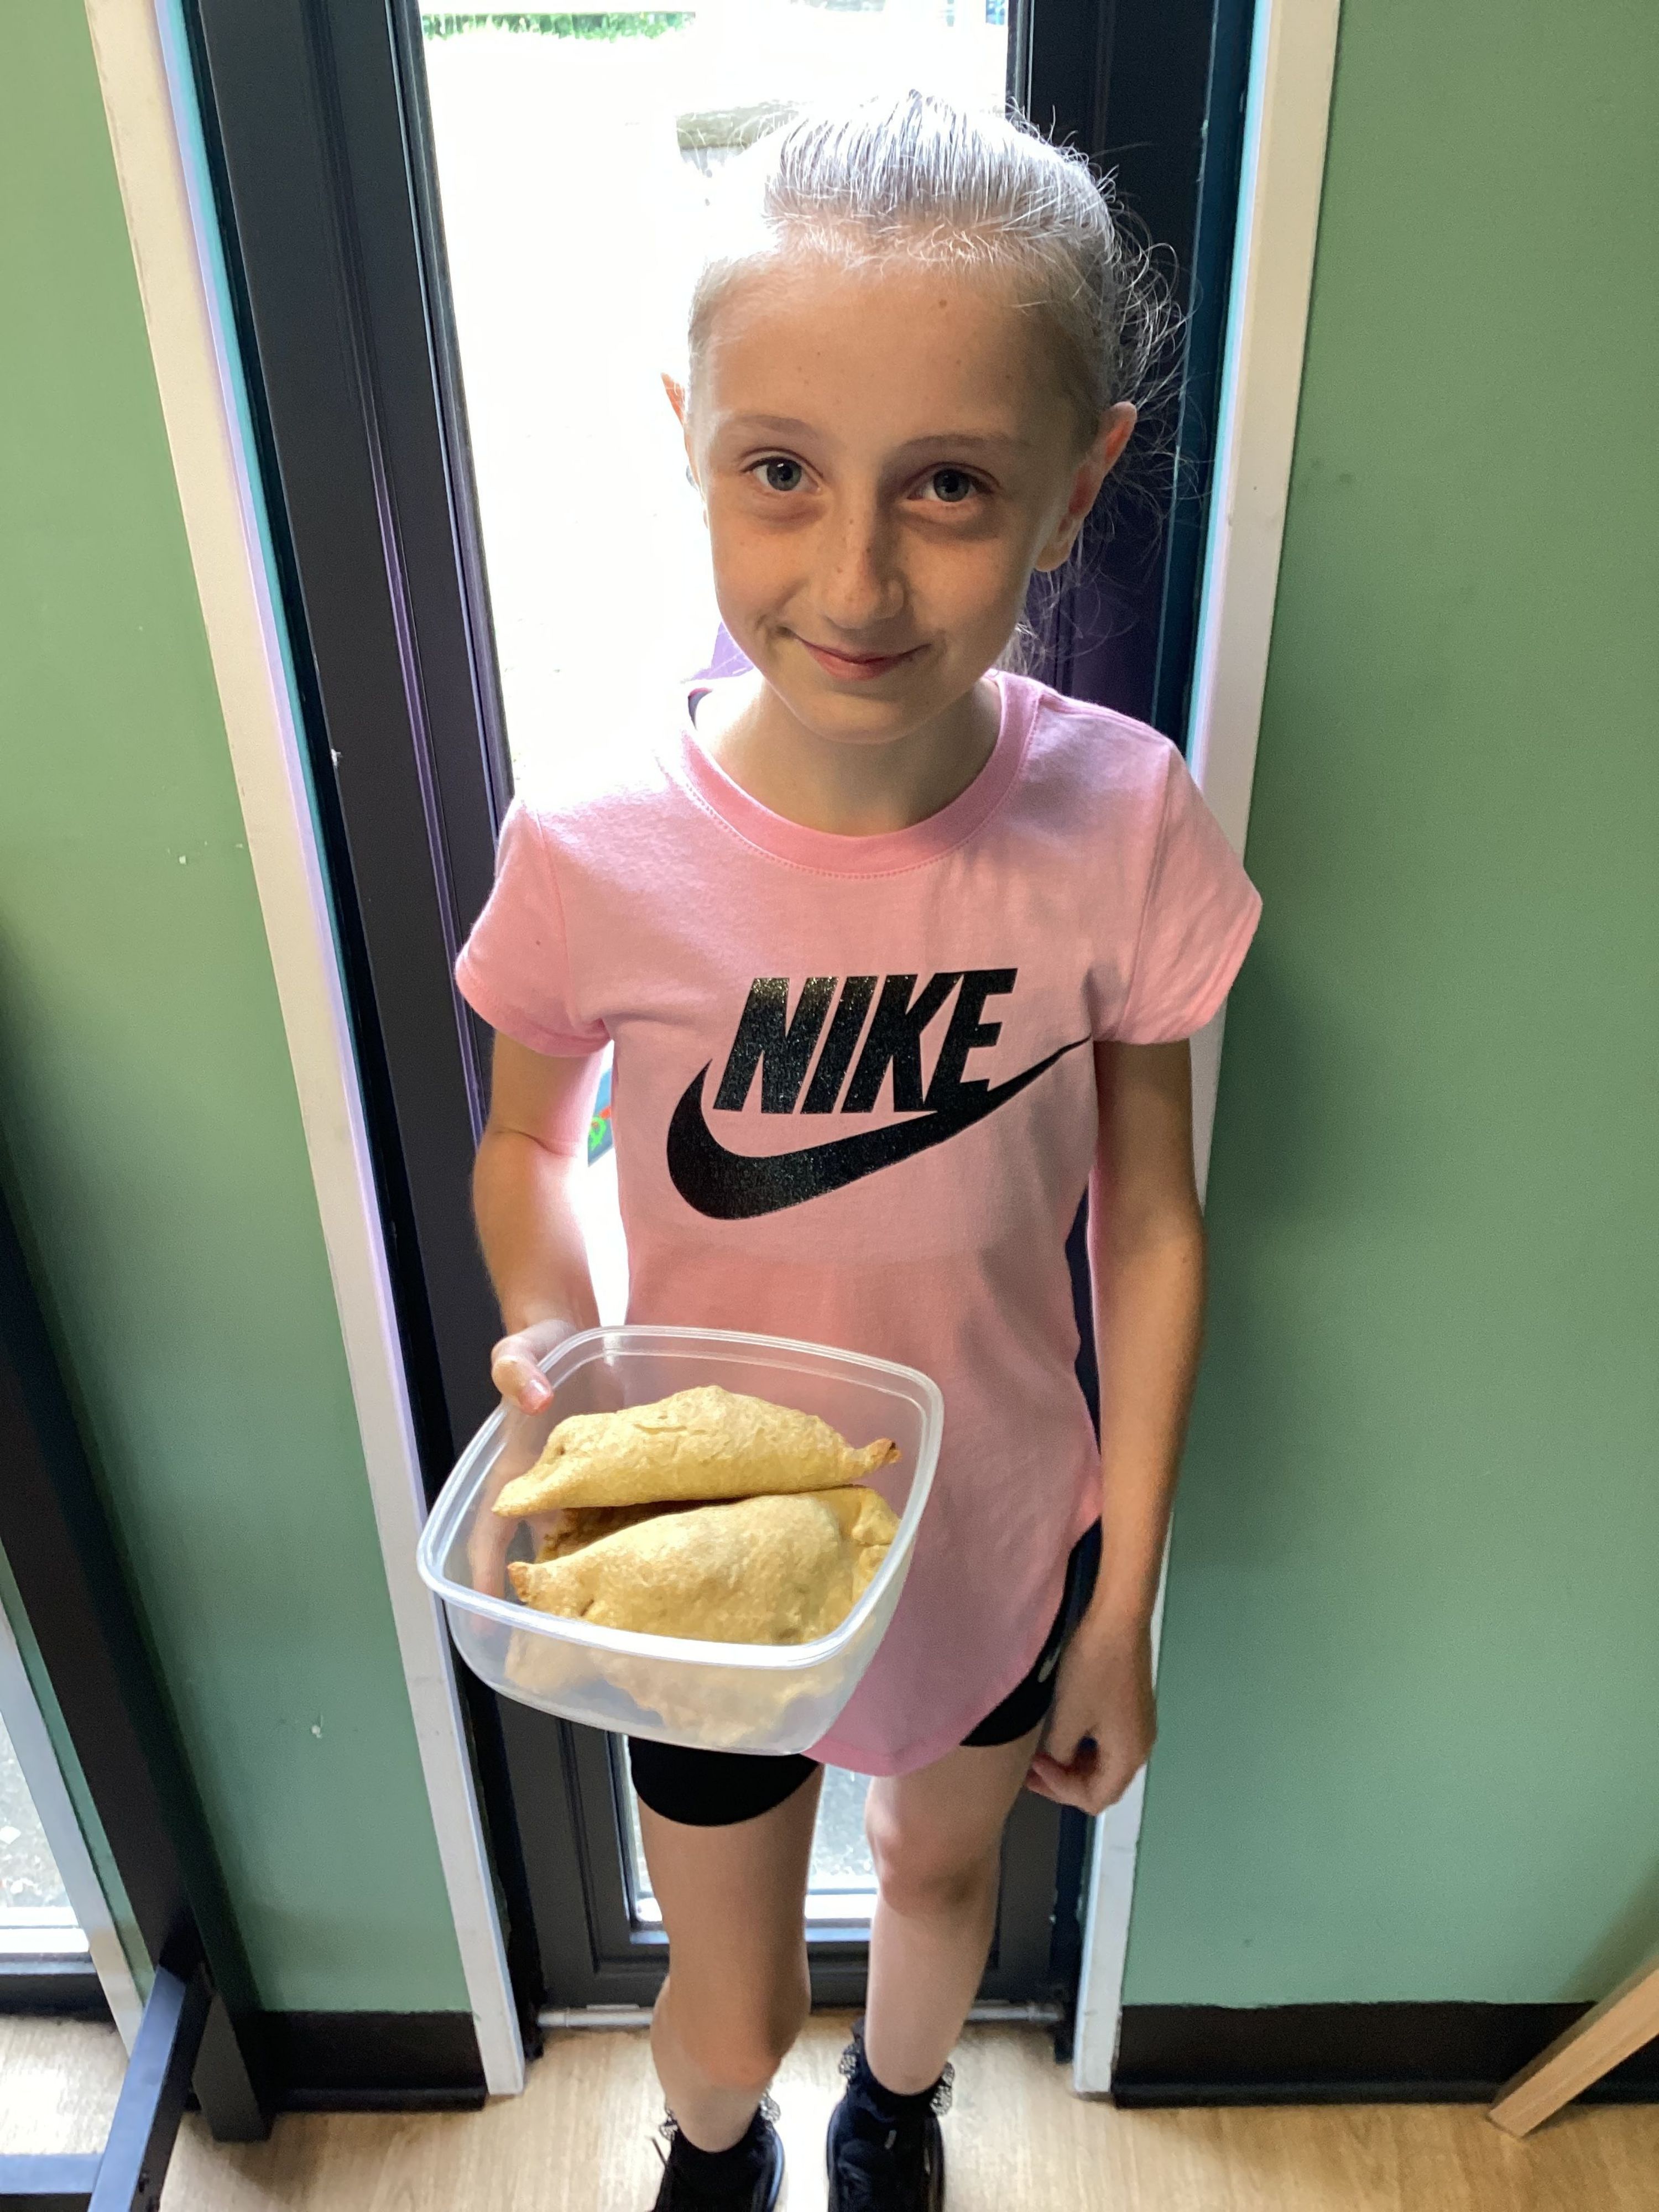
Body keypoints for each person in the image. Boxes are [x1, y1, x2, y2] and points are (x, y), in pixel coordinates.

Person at [456, 90, 1260, 2212]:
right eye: (783, 472)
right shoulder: (595, 847)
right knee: (724, 2009)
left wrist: (1123, 1600)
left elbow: (1152, 1222)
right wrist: (554, 1340)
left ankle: (895, 2123)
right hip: (705, 1543)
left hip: (993, 1524)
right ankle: (718, 2143)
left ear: (1075, 487)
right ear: (690, 440)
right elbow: (527, 1138)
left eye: (952, 486)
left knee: (934, 1877)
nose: (856, 576)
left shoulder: (1124, 822)